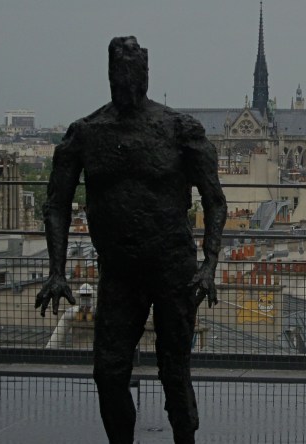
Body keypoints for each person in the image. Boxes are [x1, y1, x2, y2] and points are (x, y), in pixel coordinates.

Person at [35, 36, 227, 444]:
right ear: (109, 75)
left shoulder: (177, 129)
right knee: (108, 372)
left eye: (133, 74)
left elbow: (215, 201)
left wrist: (209, 265)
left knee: (174, 370)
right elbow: (56, 203)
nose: (127, 84)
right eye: (119, 75)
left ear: (145, 74)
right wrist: (56, 271)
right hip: (120, 273)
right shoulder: (87, 133)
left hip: (173, 268)